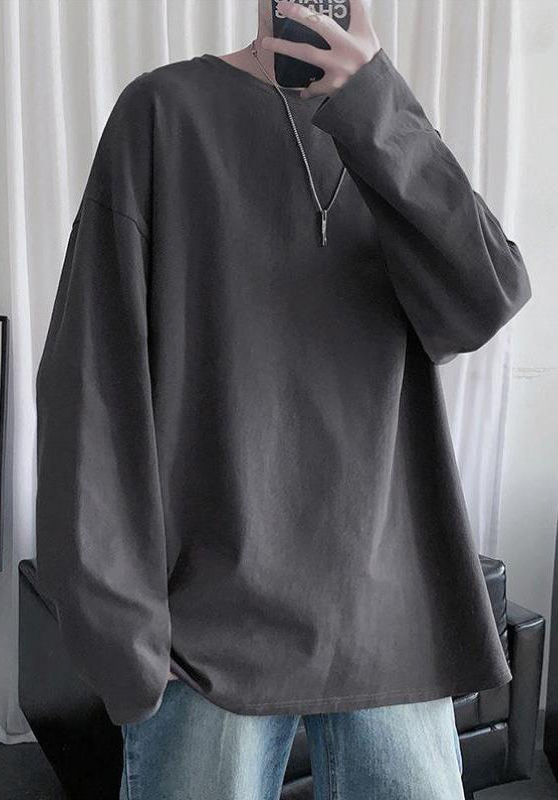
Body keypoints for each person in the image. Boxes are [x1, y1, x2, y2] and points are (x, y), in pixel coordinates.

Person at [34, 0, 532, 797]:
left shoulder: (389, 124)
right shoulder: (164, 112)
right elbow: (92, 383)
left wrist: (376, 105)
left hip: (390, 621)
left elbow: (486, 299)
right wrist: (123, 631)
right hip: (209, 634)